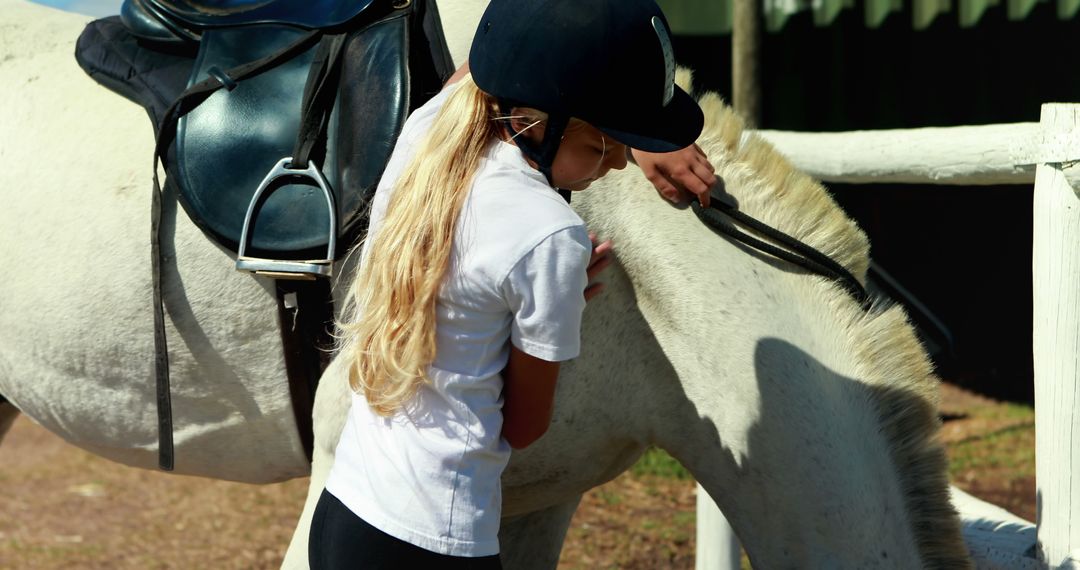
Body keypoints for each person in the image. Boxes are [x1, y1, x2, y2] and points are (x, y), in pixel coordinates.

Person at [308, 1, 712, 568]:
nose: (621, 163)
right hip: (436, 536)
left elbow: (480, 65)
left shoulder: (430, 128)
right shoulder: (550, 235)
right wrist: (554, 306)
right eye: (604, 144)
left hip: (347, 508)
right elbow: (524, 426)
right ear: (539, 122)